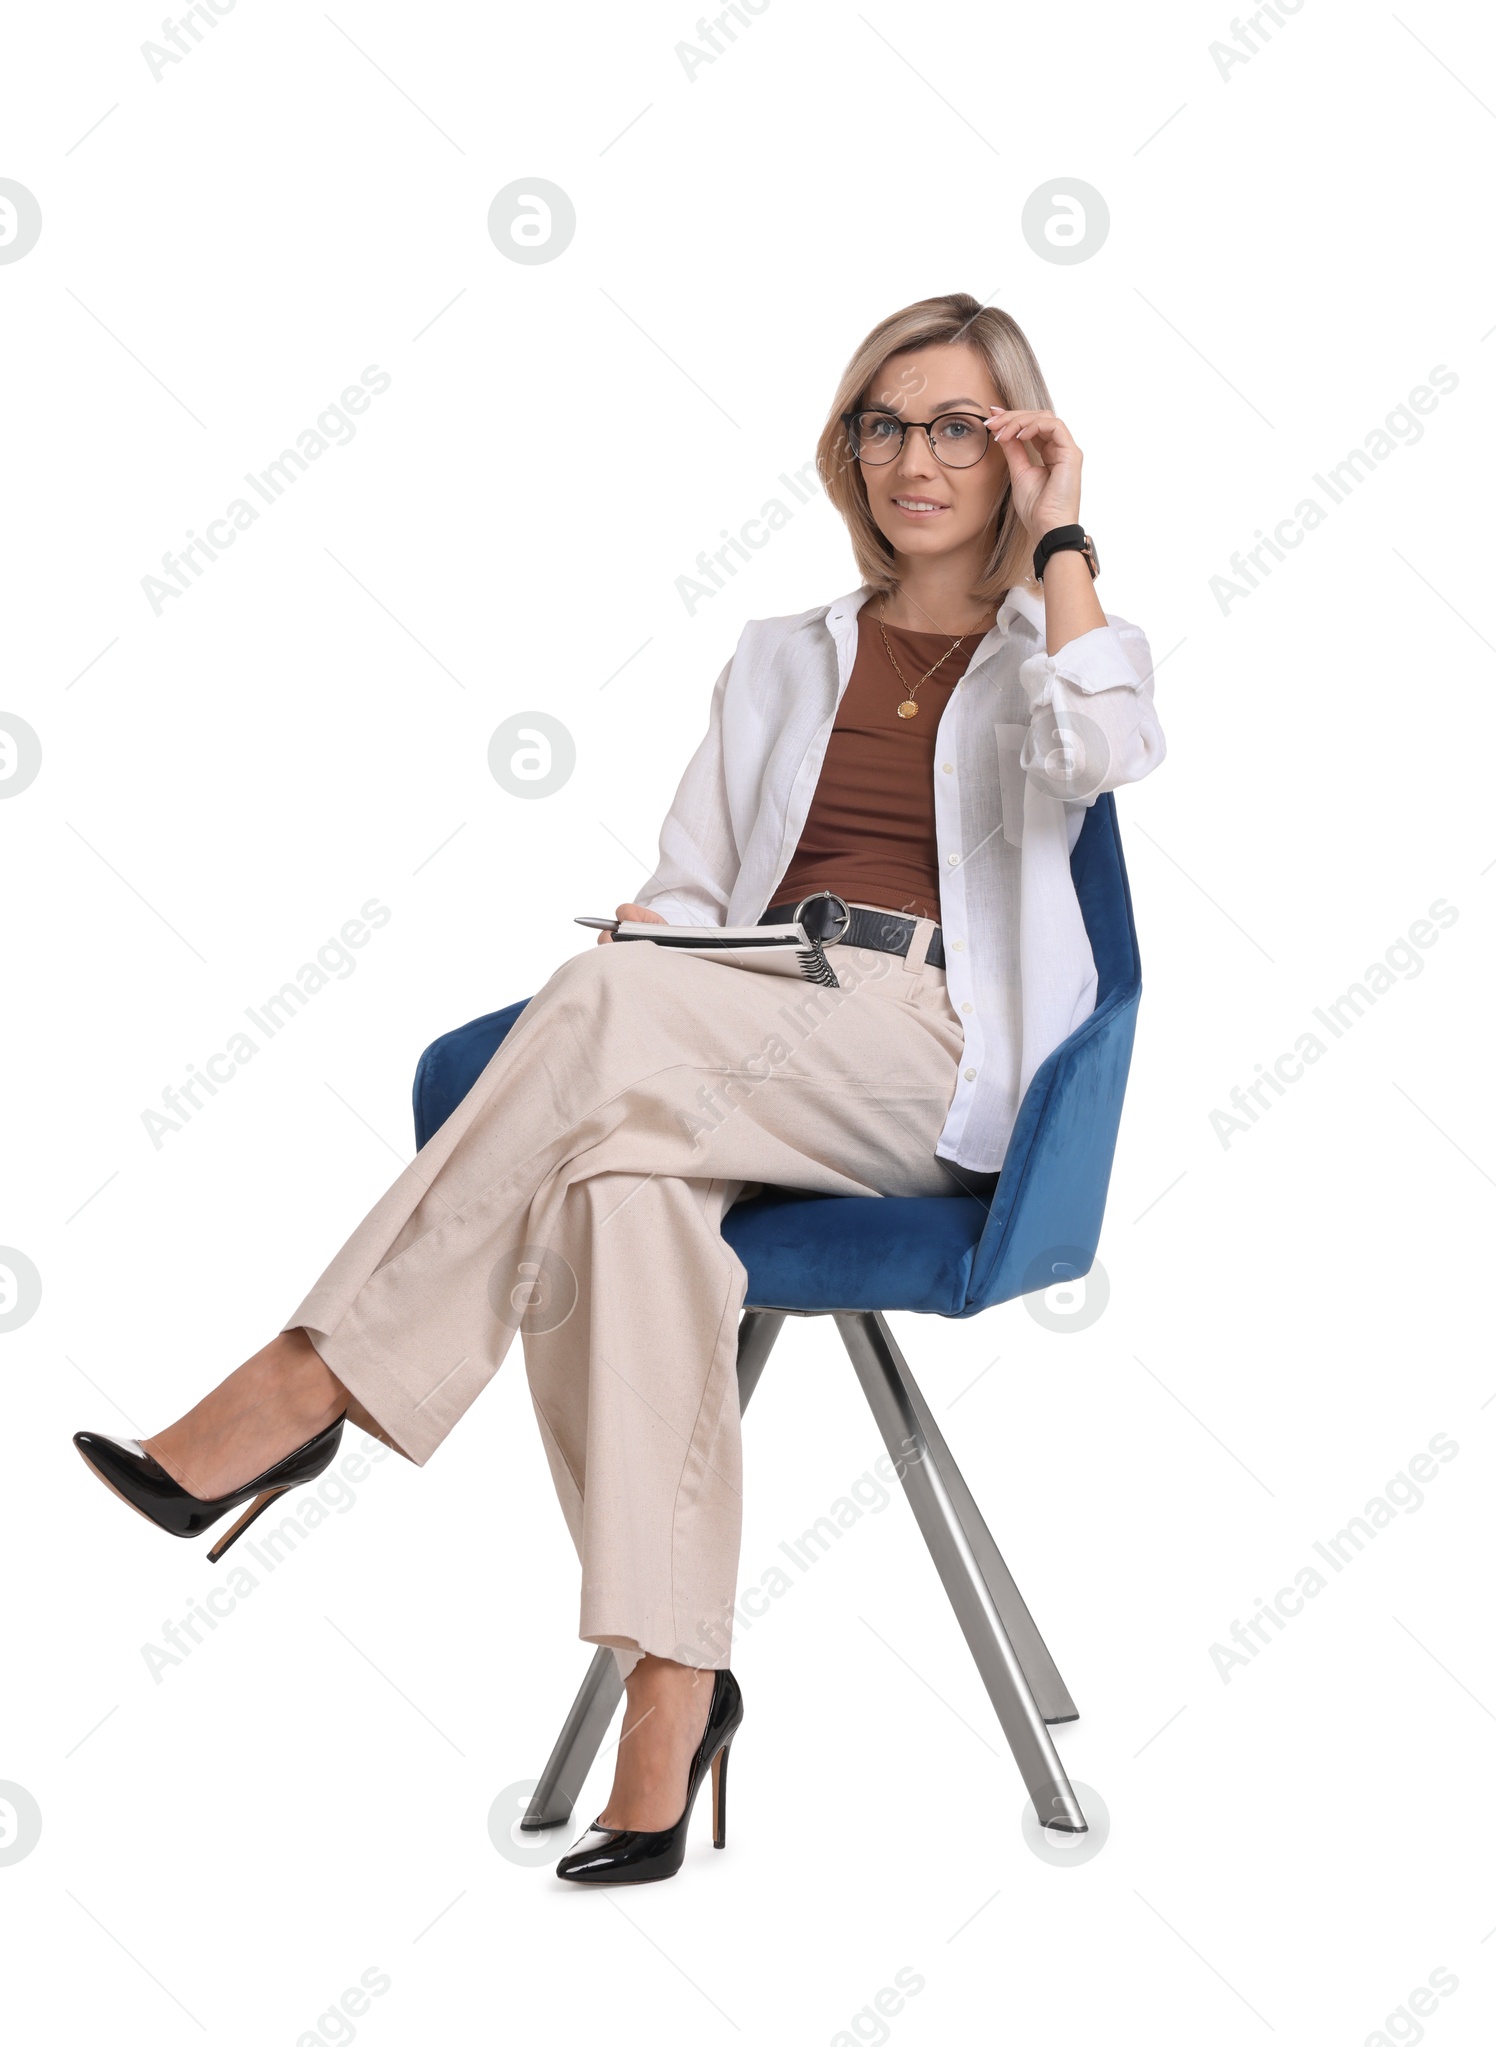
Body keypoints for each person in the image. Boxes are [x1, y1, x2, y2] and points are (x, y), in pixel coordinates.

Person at [73, 291, 1166, 1885]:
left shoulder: (1046, 658)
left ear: (1016, 453)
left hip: (921, 1047)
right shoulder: (780, 656)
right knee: (616, 1190)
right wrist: (656, 949)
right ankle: (678, 1686)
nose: (911, 459)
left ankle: (311, 1384)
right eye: (882, 422)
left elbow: (1117, 751)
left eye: (956, 428)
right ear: (844, 447)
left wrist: (1068, 540)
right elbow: (686, 886)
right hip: (734, 1007)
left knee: (592, 1006)